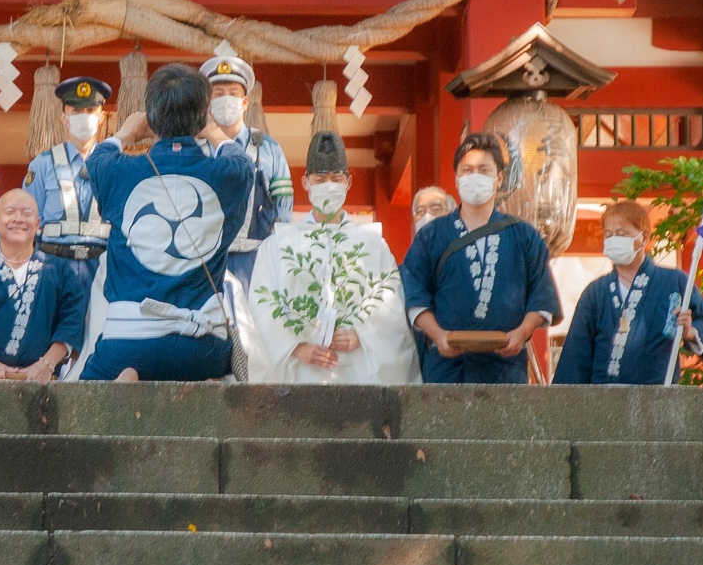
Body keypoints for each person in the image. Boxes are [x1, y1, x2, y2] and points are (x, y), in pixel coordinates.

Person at [74, 63, 254, 381]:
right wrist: (213, 130)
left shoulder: (119, 170)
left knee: (88, 389)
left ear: (151, 118)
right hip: (200, 341)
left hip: (128, 340)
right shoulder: (227, 174)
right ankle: (206, 383)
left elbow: (96, 158)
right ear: (203, 115)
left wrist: (128, 132)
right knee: (219, 371)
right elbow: (241, 159)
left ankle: (127, 376)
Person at [241, 130, 419, 384]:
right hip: (301, 368)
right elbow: (263, 302)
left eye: (336, 178)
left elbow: (389, 296)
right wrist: (295, 346)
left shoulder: (371, 242)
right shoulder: (278, 244)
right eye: (320, 178)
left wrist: (362, 333)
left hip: (359, 365)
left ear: (348, 182)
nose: (329, 185)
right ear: (305, 182)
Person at [400, 132, 561, 384]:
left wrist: (522, 333)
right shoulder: (431, 236)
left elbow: (541, 295)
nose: (475, 175)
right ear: (457, 179)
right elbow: (414, 292)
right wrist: (439, 335)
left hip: (505, 368)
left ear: (498, 179)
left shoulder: (523, 235)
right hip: (446, 368)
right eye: (467, 170)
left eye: (484, 169)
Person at [555, 200, 703, 385]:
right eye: (609, 235)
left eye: (622, 234)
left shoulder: (674, 281)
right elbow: (576, 352)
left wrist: (690, 332)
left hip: (656, 391)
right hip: (602, 394)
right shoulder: (595, 292)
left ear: (644, 238)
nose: (614, 239)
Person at [0, 189, 88, 381]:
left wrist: (46, 364)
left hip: (43, 378)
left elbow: (72, 323)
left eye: (27, 214)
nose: (18, 219)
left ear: (38, 224)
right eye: (10, 212)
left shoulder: (60, 271)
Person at [200, 55, 293, 292]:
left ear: (245, 102)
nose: (226, 99)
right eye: (219, 94)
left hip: (255, 259)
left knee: (252, 327)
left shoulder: (268, 148)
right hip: (204, 261)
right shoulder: (195, 149)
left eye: (233, 92)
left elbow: (283, 211)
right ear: (208, 103)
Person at [23, 75, 113, 287]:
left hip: (101, 267)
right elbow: (27, 221)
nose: (84, 116)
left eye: (90, 111)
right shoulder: (42, 164)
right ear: (64, 117)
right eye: (76, 111)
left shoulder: (114, 164)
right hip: (53, 265)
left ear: (101, 117)